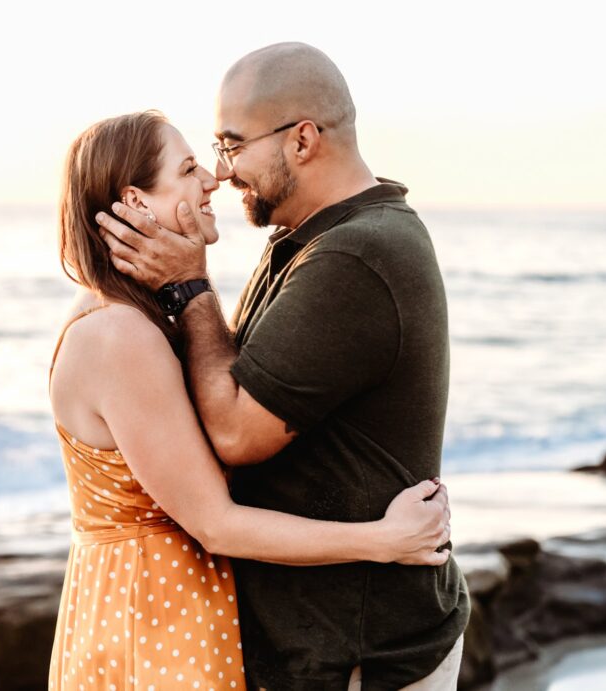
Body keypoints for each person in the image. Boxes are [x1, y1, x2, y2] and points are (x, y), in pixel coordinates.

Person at [95, 44, 471, 690]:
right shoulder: (309, 239)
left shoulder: (357, 255)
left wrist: (189, 288)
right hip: (329, 648)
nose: (220, 171)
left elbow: (238, 431)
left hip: (364, 655)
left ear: (302, 140)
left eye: (231, 145)